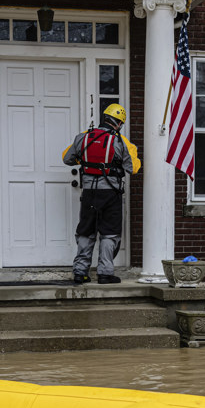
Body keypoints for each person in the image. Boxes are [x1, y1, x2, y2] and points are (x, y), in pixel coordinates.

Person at [63, 103, 140, 284]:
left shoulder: (83, 138)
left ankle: (80, 272)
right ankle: (105, 273)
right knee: (109, 233)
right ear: (119, 123)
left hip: (89, 193)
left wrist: (85, 159)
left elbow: (67, 158)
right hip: (110, 194)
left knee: (86, 231)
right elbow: (133, 168)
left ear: (104, 118)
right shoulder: (121, 141)